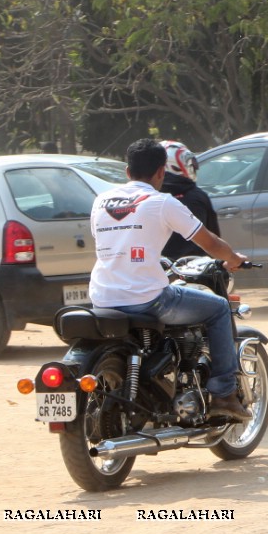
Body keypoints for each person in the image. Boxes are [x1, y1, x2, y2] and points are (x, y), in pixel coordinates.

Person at [89, 138, 252, 421]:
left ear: (127, 172)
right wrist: (233, 258)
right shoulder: (161, 202)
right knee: (218, 308)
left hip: (102, 298)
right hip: (148, 300)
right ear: (162, 172)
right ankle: (224, 394)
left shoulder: (101, 201)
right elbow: (209, 242)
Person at [159, 140, 220, 261]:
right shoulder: (197, 196)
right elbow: (213, 238)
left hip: (159, 267)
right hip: (196, 268)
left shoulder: (148, 197)